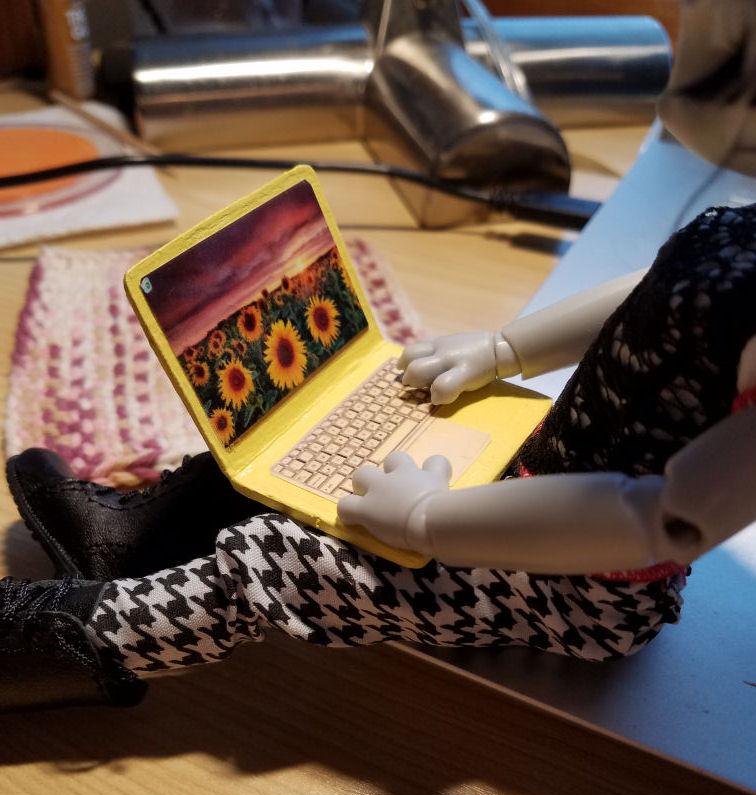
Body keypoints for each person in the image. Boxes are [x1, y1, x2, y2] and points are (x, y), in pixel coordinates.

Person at [3, 200, 756, 711]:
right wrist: (504, 349)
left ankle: (67, 642)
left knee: (280, 560)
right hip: (543, 475)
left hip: (579, 587)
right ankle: (135, 542)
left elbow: (660, 519)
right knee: (317, 431)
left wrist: (430, 523)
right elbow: (656, 290)